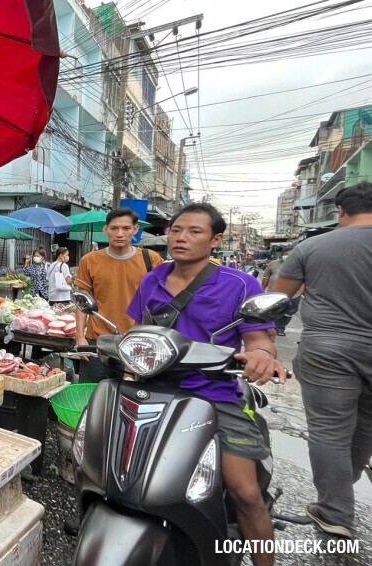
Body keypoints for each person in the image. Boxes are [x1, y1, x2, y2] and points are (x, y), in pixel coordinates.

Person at [128, 203, 285, 566]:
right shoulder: (152, 279)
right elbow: (139, 333)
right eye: (177, 230)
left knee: (244, 491)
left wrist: (262, 355)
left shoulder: (238, 283)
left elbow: (260, 340)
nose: (181, 238)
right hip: (156, 390)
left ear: (216, 239)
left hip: (215, 394)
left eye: (194, 232)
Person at [272, 181, 372, 541]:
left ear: (340, 211)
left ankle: (336, 511)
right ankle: (343, 485)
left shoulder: (312, 246)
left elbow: (278, 298)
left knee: (330, 431)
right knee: (366, 427)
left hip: (329, 349)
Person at [74, 209, 165, 381]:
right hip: (98, 340)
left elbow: (162, 301)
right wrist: (80, 336)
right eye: (114, 228)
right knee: (92, 395)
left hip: (138, 343)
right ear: (106, 230)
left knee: (132, 398)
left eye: (126, 228)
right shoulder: (90, 260)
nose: (120, 234)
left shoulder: (151, 259)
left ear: (135, 230)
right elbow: (82, 299)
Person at [261, 245, 302, 336]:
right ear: (281, 255)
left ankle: (280, 328)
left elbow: (305, 279)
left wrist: (299, 292)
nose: (288, 256)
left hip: (293, 295)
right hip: (274, 293)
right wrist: (262, 289)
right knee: (273, 311)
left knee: (288, 313)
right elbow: (266, 277)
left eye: (291, 255)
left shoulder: (300, 265)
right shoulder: (273, 264)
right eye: (286, 254)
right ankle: (271, 327)